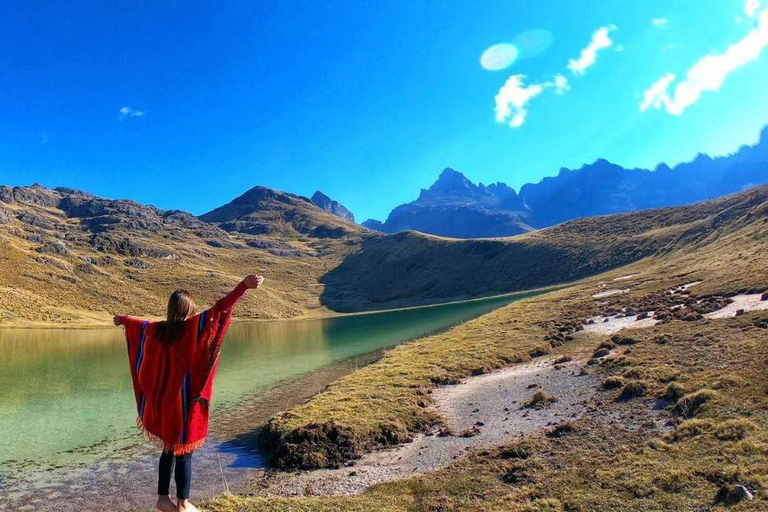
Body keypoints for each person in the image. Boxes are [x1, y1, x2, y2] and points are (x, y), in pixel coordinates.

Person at [114, 274, 264, 512]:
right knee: (185, 451)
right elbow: (219, 310)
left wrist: (123, 319)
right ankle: (183, 503)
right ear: (188, 310)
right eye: (192, 311)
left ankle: (163, 499)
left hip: (162, 404)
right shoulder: (191, 329)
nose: (195, 315)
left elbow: (138, 325)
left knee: (168, 448)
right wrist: (242, 287)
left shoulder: (158, 331)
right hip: (183, 404)